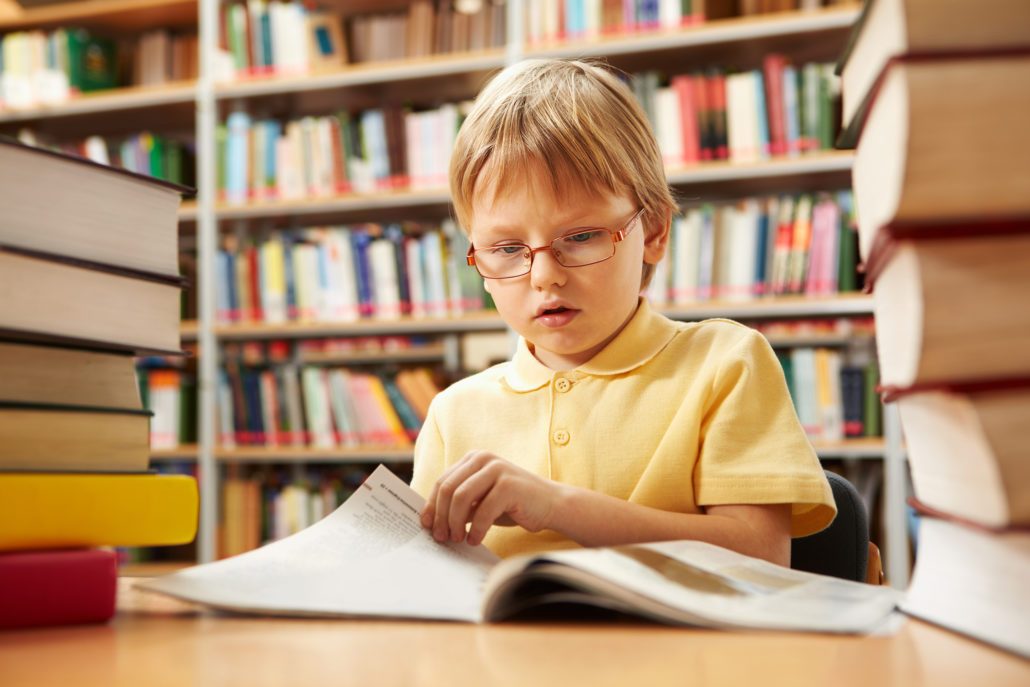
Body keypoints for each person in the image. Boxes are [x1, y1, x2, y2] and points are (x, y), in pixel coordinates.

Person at [410, 58, 835, 565]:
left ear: (653, 231)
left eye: (582, 236)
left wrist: (555, 505)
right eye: (505, 249)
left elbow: (761, 554)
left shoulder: (725, 363)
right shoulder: (453, 413)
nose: (544, 275)